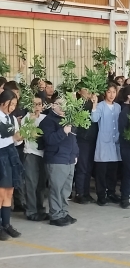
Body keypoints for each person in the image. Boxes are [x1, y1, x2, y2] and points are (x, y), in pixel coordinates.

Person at [39, 97, 79, 227]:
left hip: (69, 159)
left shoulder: (68, 120)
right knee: (56, 189)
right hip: (56, 159)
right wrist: (63, 131)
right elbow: (49, 140)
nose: (63, 107)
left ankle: (63, 212)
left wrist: (75, 154)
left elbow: (74, 140)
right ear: (53, 106)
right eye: (60, 104)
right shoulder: (48, 121)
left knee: (66, 189)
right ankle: (55, 215)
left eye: (66, 105)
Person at [91, 83, 122, 206]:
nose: (111, 95)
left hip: (115, 142)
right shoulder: (100, 106)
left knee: (112, 171)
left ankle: (111, 192)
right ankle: (101, 195)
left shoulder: (118, 107)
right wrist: (94, 104)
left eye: (114, 92)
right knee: (101, 171)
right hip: (103, 142)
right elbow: (94, 119)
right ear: (105, 93)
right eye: (109, 92)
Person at [0, 90, 23, 240]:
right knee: (1, 194)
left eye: (15, 104)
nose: (13, 107)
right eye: (11, 104)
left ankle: (7, 224)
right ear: (3, 102)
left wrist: (20, 137)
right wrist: (13, 137)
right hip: (1, 156)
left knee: (9, 192)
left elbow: (17, 139)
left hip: (11, 155)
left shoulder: (12, 118)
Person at [22, 95, 48, 221]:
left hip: (43, 154)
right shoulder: (26, 118)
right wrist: (31, 120)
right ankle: (31, 211)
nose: (37, 106)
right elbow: (24, 134)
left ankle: (40, 209)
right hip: (31, 154)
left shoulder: (45, 118)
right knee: (31, 184)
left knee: (41, 184)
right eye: (34, 104)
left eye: (39, 104)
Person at [73, 84, 98, 204]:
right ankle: (79, 193)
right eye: (85, 89)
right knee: (82, 167)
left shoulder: (94, 103)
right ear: (79, 91)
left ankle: (86, 192)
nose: (88, 91)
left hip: (92, 138)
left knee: (89, 167)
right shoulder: (78, 104)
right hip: (82, 138)